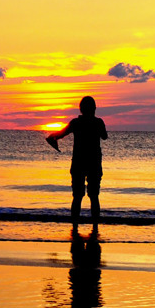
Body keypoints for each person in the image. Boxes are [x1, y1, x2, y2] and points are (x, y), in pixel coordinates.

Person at [46, 96, 108, 232]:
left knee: (77, 196)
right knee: (94, 196)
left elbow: (61, 134)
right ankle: (95, 228)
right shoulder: (98, 122)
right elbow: (104, 136)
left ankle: (74, 227)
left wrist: (52, 136)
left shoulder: (75, 123)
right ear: (94, 108)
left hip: (78, 163)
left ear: (81, 109)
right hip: (94, 163)